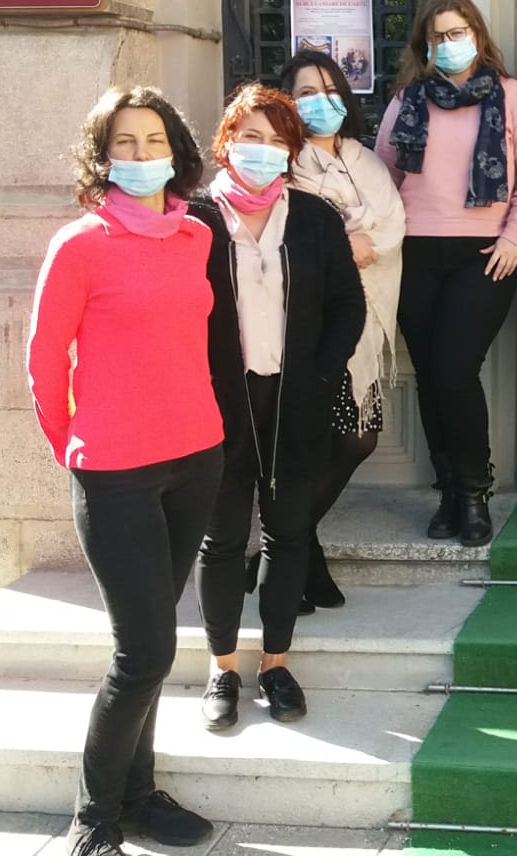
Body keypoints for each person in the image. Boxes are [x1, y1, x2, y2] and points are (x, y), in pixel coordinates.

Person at [27, 87, 220, 856]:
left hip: (196, 458)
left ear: (176, 152)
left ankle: (137, 797)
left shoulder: (196, 236)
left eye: (154, 141)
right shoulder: (80, 244)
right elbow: (44, 362)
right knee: (143, 653)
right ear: (103, 158)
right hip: (115, 472)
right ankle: (95, 815)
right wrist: (76, 446)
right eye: (125, 143)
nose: (142, 155)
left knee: (154, 643)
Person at [191, 84, 364, 731]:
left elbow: (348, 305)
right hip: (219, 402)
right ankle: (222, 669)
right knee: (220, 540)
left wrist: (320, 375)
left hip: (295, 400)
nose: (262, 150)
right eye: (250, 137)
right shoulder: (195, 220)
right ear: (227, 142)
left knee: (288, 533)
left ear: (291, 151)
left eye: (276, 140)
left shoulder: (315, 218)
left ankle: (275, 664)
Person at [376, 0, 517, 546]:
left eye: (458, 33)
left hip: (485, 255)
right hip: (414, 253)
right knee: (431, 376)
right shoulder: (407, 101)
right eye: (438, 37)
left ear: (477, 34)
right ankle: (449, 490)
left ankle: (476, 492)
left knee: (454, 369)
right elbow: (381, 180)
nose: (449, 44)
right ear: (424, 45)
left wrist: (515, 237)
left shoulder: (509, 96)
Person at [282, 53, 405, 608]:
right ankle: (294, 557)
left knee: (357, 439)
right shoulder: (284, 164)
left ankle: (282, 548)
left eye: (330, 89)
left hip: (362, 328)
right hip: (309, 329)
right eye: (307, 91)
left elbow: (392, 224)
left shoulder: (366, 161)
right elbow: (293, 236)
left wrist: (362, 241)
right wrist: (342, 242)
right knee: (312, 447)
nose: (320, 101)